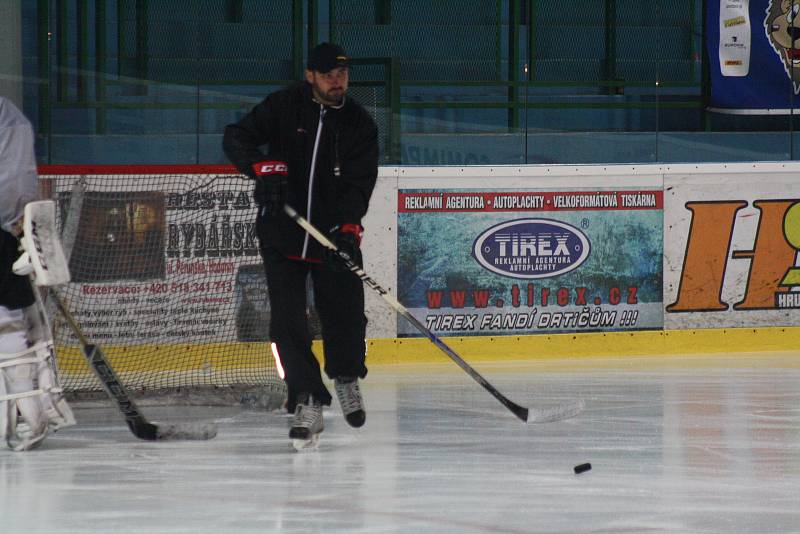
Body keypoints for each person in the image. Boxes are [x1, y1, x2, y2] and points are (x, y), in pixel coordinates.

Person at [223, 43, 379, 449]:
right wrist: (260, 168)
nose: (336, 80)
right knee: (287, 323)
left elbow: (359, 183)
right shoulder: (282, 107)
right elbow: (237, 137)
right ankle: (307, 398)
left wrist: (348, 228)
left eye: (341, 74)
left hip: (331, 235)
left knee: (345, 311)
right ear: (310, 75)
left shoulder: (360, 123)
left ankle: (345, 378)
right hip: (283, 231)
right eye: (327, 73)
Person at [0, 96, 75, 451]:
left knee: (12, 319)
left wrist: (14, 218)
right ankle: (32, 405)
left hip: (2, 233)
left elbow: (13, 181)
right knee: (14, 318)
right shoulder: (9, 117)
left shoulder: (7, 118)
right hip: (5, 231)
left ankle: (31, 405)